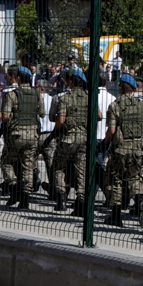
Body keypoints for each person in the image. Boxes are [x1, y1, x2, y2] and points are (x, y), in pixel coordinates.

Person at [104, 73, 143, 226]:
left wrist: (105, 144)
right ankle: (140, 200)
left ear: (121, 88)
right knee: (135, 178)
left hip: (121, 148)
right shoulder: (142, 105)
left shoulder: (115, 105)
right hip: (138, 147)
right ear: (132, 89)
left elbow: (112, 130)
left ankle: (116, 215)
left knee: (116, 180)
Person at [0, 65, 44, 209]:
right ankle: (25, 199)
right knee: (28, 166)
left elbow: (5, 117)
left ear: (18, 78)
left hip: (16, 134)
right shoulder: (37, 94)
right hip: (33, 135)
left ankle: (12, 187)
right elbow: (42, 113)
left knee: (6, 161)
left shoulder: (13, 94)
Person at [53, 69, 94, 217]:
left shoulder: (65, 98)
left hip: (68, 138)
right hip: (84, 139)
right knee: (82, 171)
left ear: (70, 82)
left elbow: (61, 121)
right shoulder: (90, 98)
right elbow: (99, 116)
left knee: (59, 167)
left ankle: (61, 199)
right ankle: (82, 201)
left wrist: (57, 129)